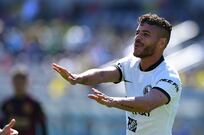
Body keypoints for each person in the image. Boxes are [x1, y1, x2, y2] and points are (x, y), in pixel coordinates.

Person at [52, 13, 182, 135]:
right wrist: (78, 78)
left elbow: (147, 104)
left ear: (161, 43)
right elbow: (102, 74)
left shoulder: (168, 76)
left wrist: (113, 102)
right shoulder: (129, 64)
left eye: (146, 34)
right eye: (137, 33)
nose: (137, 38)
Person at [0, 68, 48, 135]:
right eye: (16, 82)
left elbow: (43, 126)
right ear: (12, 82)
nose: (18, 85)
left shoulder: (34, 103)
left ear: (27, 82)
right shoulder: (6, 103)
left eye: (21, 82)